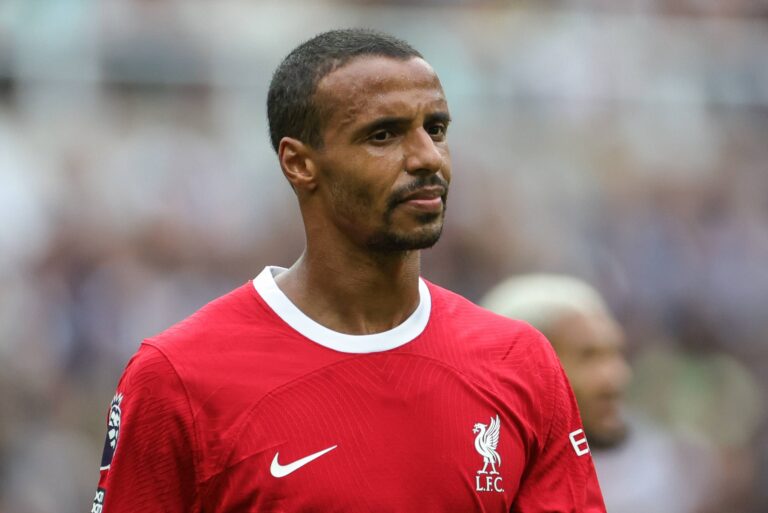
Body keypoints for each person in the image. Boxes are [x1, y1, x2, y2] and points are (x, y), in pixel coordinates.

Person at [91, 29, 605, 513]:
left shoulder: (520, 361)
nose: (428, 157)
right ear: (299, 163)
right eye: (383, 135)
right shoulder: (177, 377)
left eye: (437, 128)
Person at [481, 274, 721, 513]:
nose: (617, 378)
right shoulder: (465, 489)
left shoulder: (647, 474)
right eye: (588, 356)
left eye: (616, 354)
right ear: (517, 371)